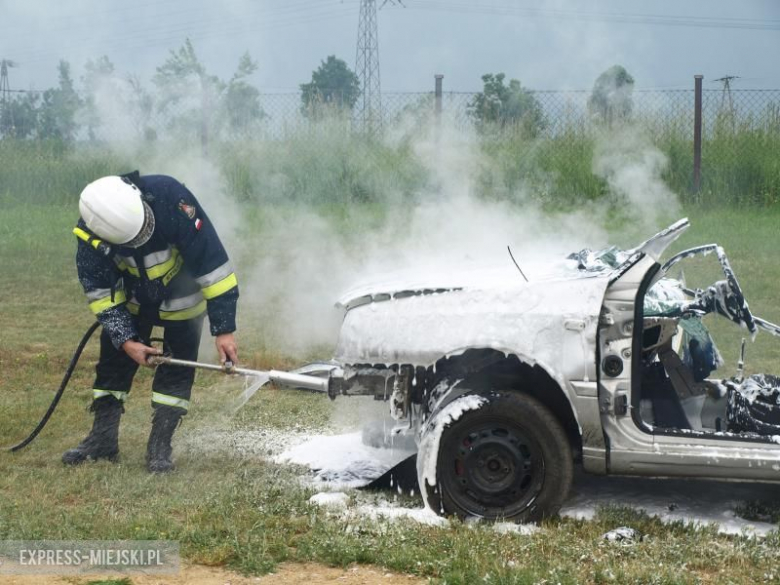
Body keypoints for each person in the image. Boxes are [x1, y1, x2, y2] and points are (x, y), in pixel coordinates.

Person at [62, 171, 239, 473]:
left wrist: (223, 330)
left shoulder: (172, 198)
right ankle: (103, 440)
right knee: (113, 364)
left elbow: (212, 265)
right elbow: (102, 296)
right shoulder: (91, 235)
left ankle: (160, 446)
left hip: (183, 298)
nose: (143, 237)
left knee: (177, 369)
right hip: (132, 302)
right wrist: (126, 341)